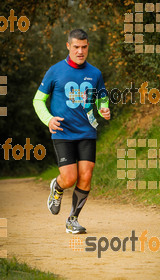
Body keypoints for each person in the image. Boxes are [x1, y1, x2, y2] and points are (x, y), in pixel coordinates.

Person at [33, 29, 110, 234]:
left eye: (84, 47)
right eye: (76, 47)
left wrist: (104, 109)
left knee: (86, 175)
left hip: (87, 132)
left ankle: (72, 219)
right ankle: (57, 188)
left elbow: (102, 98)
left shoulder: (95, 73)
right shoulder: (55, 71)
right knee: (69, 178)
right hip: (63, 132)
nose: (80, 51)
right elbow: (38, 100)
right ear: (68, 46)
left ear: (88, 47)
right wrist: (48, 119)